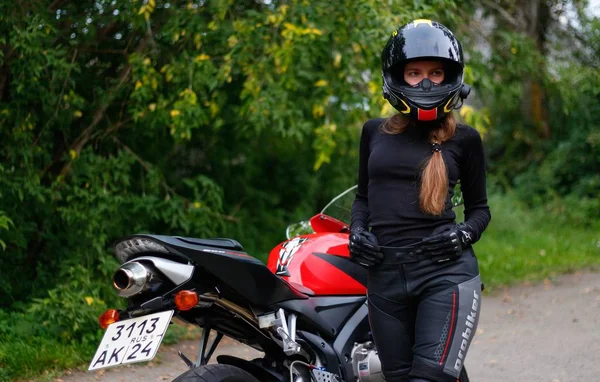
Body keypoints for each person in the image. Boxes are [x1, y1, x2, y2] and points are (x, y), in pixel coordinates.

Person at [349, 19, 491, 382]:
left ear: (450, 77)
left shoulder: (465, 139)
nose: (425, 83)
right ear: (397, 76)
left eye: (435, 72)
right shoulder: (373, 132)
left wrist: (461, 235)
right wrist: (357, 232)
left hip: (444, 274)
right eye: (414, 73)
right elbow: (363, 197)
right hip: (385, 279)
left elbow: (479, 211)